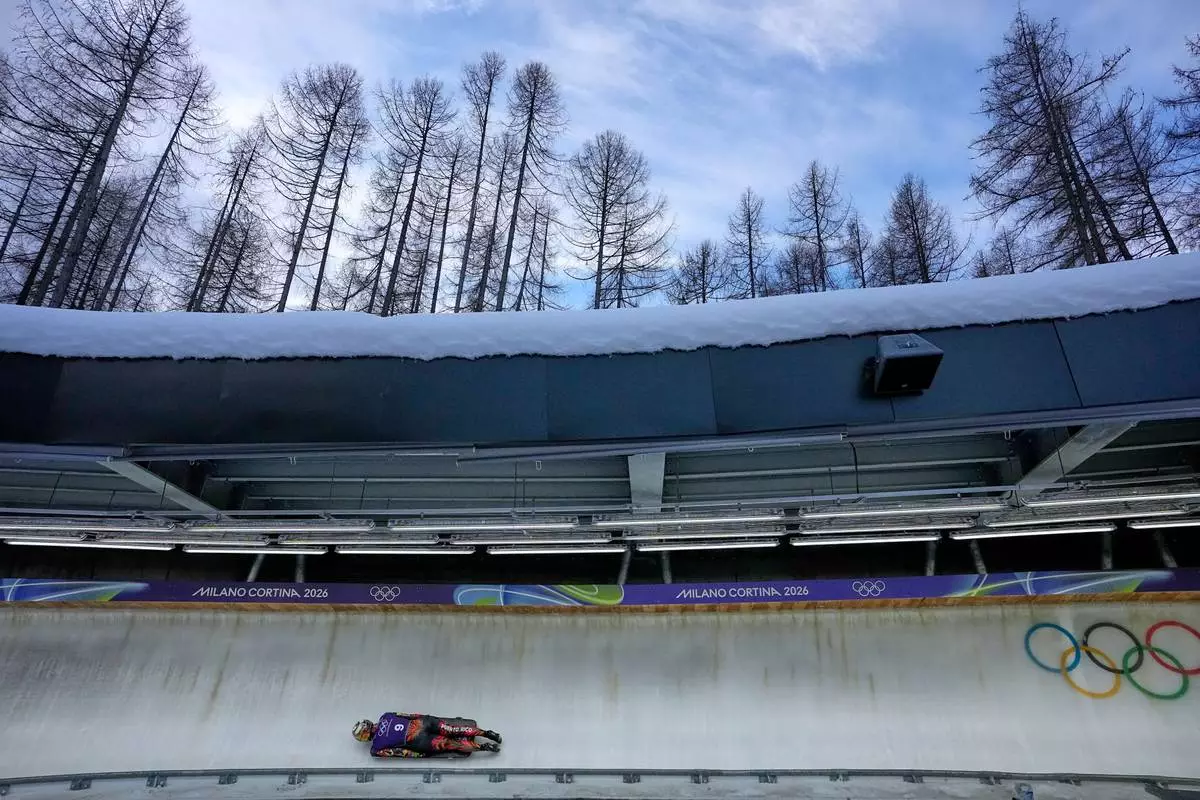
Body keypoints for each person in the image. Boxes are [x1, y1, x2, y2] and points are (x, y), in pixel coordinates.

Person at [353, 712, 502, 758]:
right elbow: (409, 715)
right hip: (422, 723)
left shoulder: (376, 748)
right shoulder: (385, 716)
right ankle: (487, 733)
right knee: (453, 730)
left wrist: (419, 755)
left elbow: (399, 753)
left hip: (418, 740)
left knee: (451, 744)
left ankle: (484, 747)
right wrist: (424, 717)